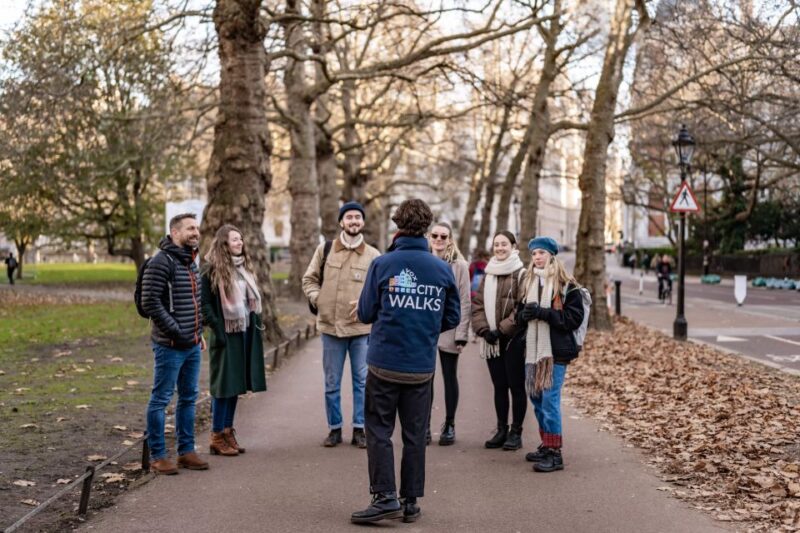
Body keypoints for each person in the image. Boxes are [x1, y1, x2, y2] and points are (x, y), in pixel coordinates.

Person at [351, 199, 460, 524]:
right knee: (414, 435)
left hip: (384, 362)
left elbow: (366, 312)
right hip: (420, 366)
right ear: (427, 228)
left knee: (378, 430)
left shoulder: (382, 264)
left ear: (397, 225)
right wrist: (425, 327)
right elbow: (452, 316)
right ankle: (410, 501)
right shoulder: (441, 269)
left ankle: (384, 496)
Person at [302, 201, 380, 448]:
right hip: (331, 328)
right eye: (349, 217)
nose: (354, 221)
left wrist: (369, 305)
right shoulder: (325, 250)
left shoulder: (373, 255)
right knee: (332, 382)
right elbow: (309, 279)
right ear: (341, 222)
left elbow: (380, 290)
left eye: (358, 217)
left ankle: (359, 429)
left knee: (362, 382)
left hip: (360, 329)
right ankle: (334, 428)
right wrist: (319, 298)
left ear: (363, 222)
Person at [141, 213, 208, 475]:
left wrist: (198, 332)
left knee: (189, 397)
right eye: (190, 228)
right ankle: (158, 456)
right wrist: (176, 330)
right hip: (169, 345)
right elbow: (150, 302)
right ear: (175, 232)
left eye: (197, 228)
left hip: (192, 344)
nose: (196, 233)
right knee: (161, 399)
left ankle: (186, 452)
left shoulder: (190, 261)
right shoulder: (161, 262)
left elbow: (194, 301)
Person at [516, 237, 584, 473]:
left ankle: (555, 454)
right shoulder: (529, 282)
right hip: (533, 351)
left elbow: (573, 319)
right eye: (534, 254)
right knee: (536, 399)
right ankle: (546, 444)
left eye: (542, 253)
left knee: (549, 401)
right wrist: (523, 316)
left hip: (556, 353)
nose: (537, 258)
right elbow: (519, 314)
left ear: (551, 256)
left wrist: (543, 313)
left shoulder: (567, 285)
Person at [201, 225, 267, 457]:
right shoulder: (211, 269)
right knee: (223, 387)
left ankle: (228, 432)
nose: (240, 243)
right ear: (224, 244)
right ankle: (216, 435)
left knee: (236, 385)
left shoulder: (243, 268)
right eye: (234, 240)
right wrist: (218, 329)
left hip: (244, 333)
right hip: (226, 334)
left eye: (241, 239)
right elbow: (204, 303)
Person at [471, 230, 527, 451]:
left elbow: (521, 307)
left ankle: (516, 432)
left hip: (513, 340)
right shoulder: (489, 274)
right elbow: (477, 305)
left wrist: (502, 330)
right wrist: (484, 330)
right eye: (496, 244)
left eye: (504, 244)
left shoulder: (522, 274)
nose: (500, 248)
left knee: (516, 386)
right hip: (491, 341)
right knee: (499, 386)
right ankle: (501, 429)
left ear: (514, 247)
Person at [427, 221, 471, 446]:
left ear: (450, 239)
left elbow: (465, 299)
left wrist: (462, 333)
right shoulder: (423, 261)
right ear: (429, 237)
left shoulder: (459, 265)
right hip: (425, 327)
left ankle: (450, 425)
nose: (439, 239)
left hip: (450, 327)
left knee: (449, 376)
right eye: (435, 235)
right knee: (425, 379)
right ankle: (424, 426)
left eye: (443, 236)